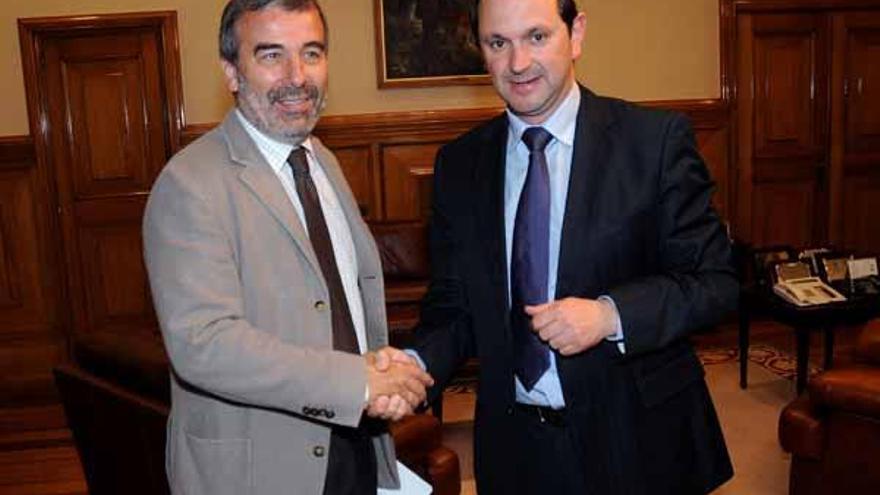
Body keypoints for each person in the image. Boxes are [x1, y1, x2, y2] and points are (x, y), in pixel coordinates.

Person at [389, 0, 738, 493]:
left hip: (638, 440)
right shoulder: (458, 164)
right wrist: (414, 365)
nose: (517, 63)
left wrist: (610, 315)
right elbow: (454, 307)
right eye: (497, 43)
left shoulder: (653, 142)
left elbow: (715, 283)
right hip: (515, 449)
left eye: (536, 36)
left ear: (575, 34)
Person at [142, 1, 432, 494]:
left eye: (311, 53)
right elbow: (205, 345)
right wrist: (356, 383)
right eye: (271, 55)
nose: (297, 76)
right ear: (231, 72)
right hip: (261, 470)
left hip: (354, 443)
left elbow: (343, 305)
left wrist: (382, 372)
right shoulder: (189, 183)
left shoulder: (322, 160)